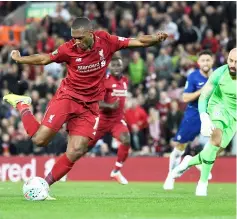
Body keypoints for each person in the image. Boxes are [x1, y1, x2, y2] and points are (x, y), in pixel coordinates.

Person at [3, 17, 168, 199]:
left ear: (91, 34)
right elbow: (45, 58)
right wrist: (21, 59)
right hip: (68, 97)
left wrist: (155, 38)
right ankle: (22, 104)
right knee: (39, 140)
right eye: (74, 38)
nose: (77, 42)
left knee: (77, 150)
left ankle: (44, 185)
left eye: (80, 38)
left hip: (89, 106)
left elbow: (136, 41)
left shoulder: (106, 41)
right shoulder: (68, 49)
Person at [171, 48, 236, 196]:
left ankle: (187, 162)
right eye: (230, 60)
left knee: (216, 149)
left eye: (236, 62)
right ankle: (203, 183)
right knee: (216, 140)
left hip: (234, 116)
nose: (232, 64)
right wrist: (204, 116)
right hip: (218, 107)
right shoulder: (219, 73)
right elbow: (204, 96)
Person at [163, 50, 214, 190]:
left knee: (216, 143)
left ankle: (195, 161)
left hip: (212, 114)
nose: (205, 63)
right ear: (198, 63)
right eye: (203, 60)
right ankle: (170, 176)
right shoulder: (193, 76)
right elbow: (185, 98)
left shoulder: (218, 75)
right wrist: (202, 90)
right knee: (180, 146)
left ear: (212, 61)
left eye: (208, 60)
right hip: (194, 113)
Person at [88, 56, 130, 185]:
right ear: (109, 67)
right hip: (102, 120)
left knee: (126, 140)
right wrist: (110, 106)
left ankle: (116, 171)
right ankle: (64, 171)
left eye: (118, 65)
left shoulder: (125, 81)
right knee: (83, 147)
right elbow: (97, 102)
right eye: (114, 65)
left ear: (122, 66)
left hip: (117, 121)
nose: (116, 68)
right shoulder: (104, 81)